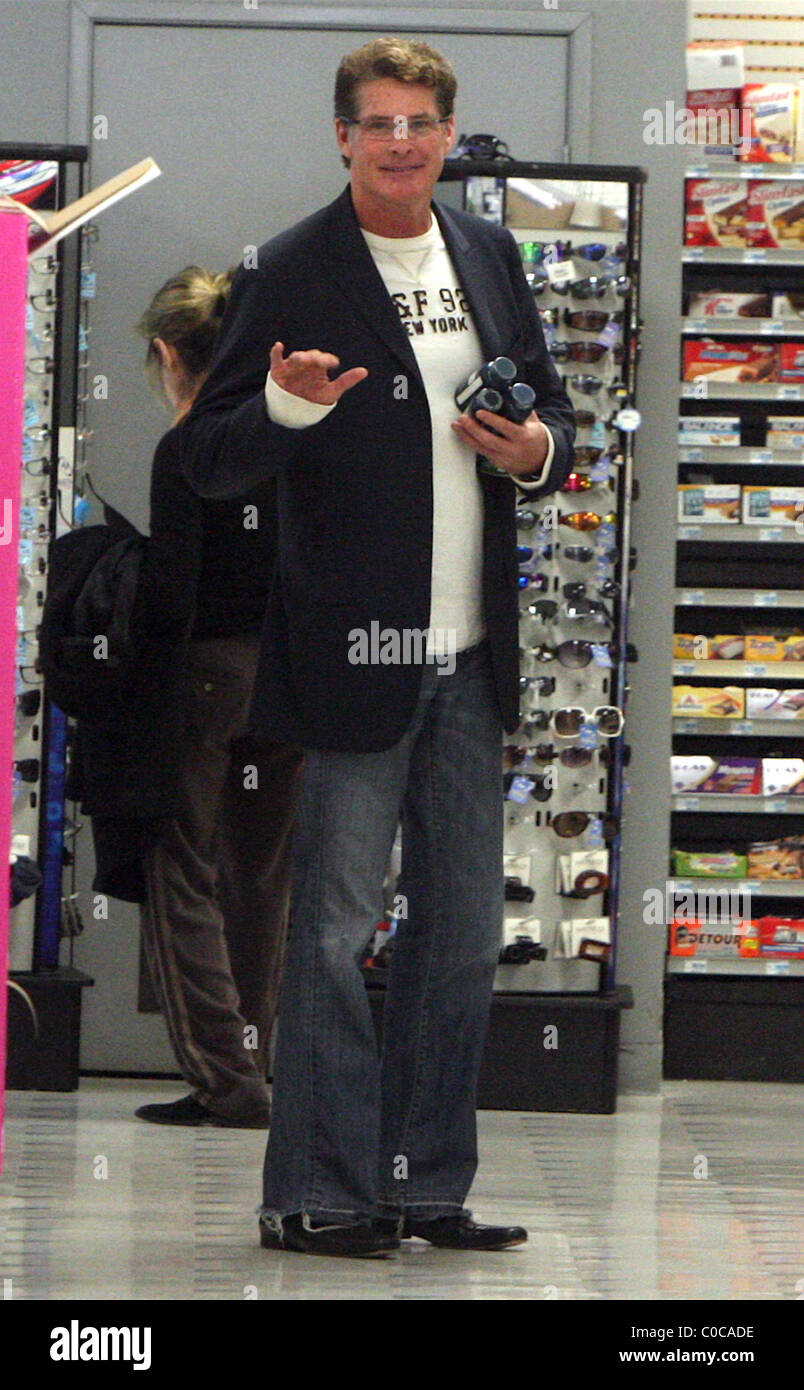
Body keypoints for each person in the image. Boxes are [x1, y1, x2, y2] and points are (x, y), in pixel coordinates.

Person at [181, 38, 575, 1252]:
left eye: (423, 122)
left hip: (470, 656)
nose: (402, 142)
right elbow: (214, 457)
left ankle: (422, 1184)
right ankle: (319, 1191)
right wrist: (293, 401)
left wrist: (534, 454)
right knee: (338, 927)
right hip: (354, 654)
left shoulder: (490, 252)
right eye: (378, 122)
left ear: (450, 135)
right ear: (342, 136)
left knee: (458, 935)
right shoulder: (295, 267)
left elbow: (550, 409)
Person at [130, 266, 303, 1128]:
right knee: (259, 875)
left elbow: (171, 596)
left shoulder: (187, 449)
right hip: (286, 676)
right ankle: (252, 1064)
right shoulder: (289, 438)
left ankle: (224, 1081)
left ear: (168, 352)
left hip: (204, 678)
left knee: (183, 869)